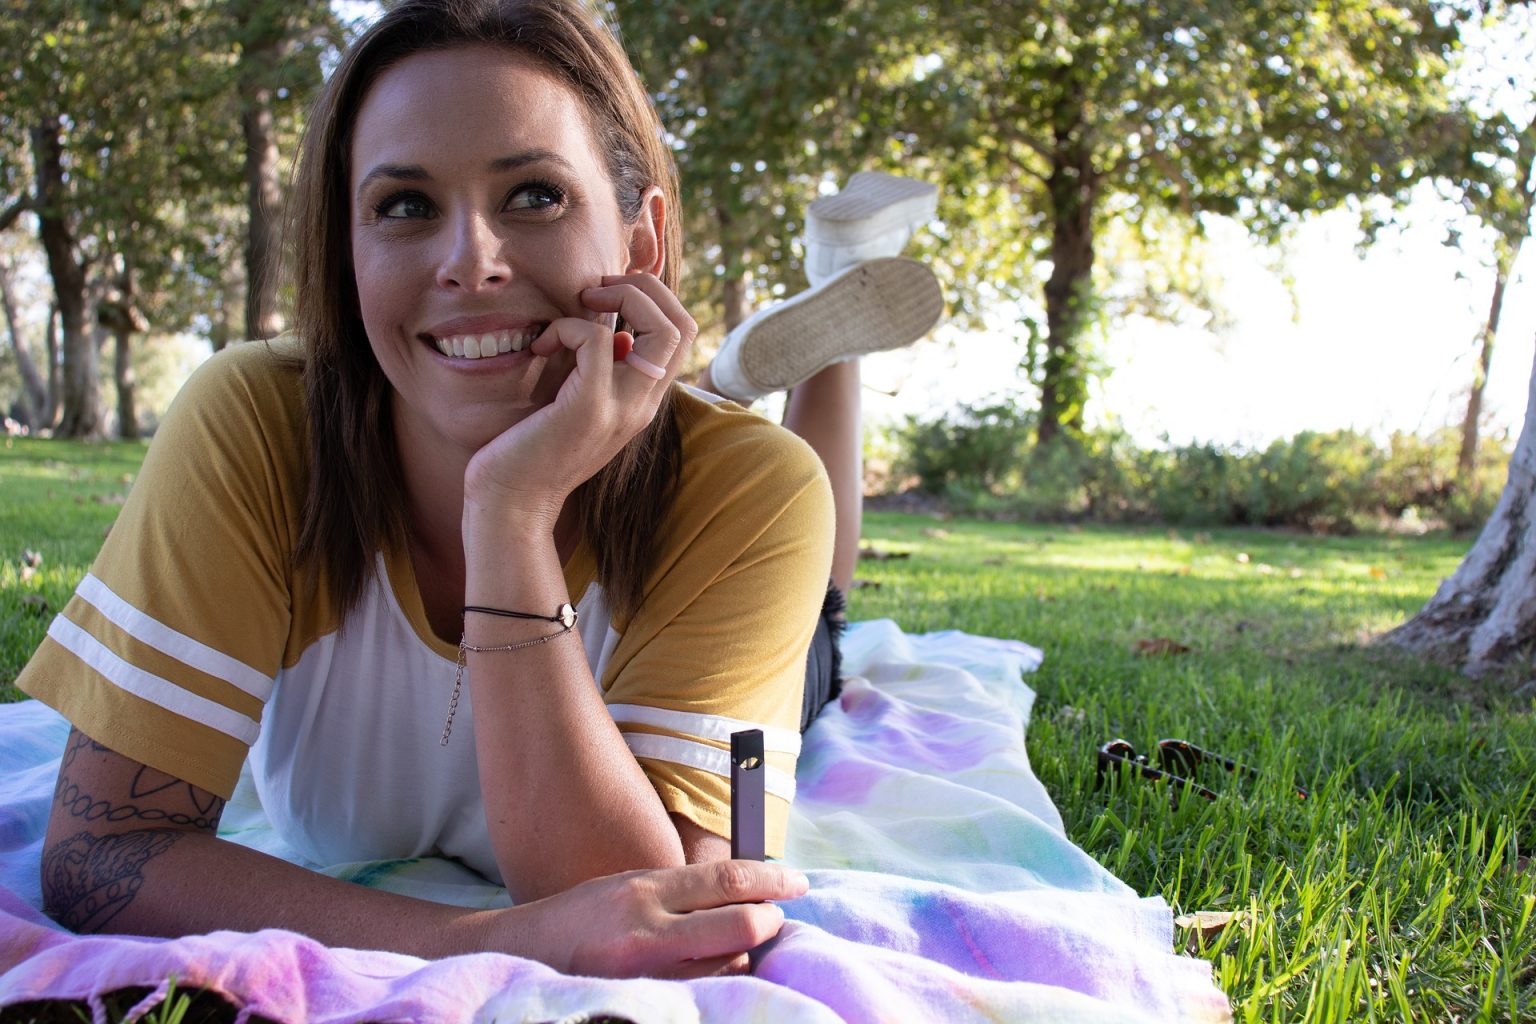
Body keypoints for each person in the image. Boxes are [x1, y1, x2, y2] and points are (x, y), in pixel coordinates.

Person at [18, 0, 939, 979]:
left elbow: (672, 916)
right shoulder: (256, 424)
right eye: (406, 205)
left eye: (534, 195)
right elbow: (99, 857)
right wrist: (488, 941)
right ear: (348, 249)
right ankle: (734, 365)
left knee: (824, 625)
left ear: (641, 242)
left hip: (755, 605)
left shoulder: (749, 490)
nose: (470, 264)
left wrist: (509, 510)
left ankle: (817, 325)